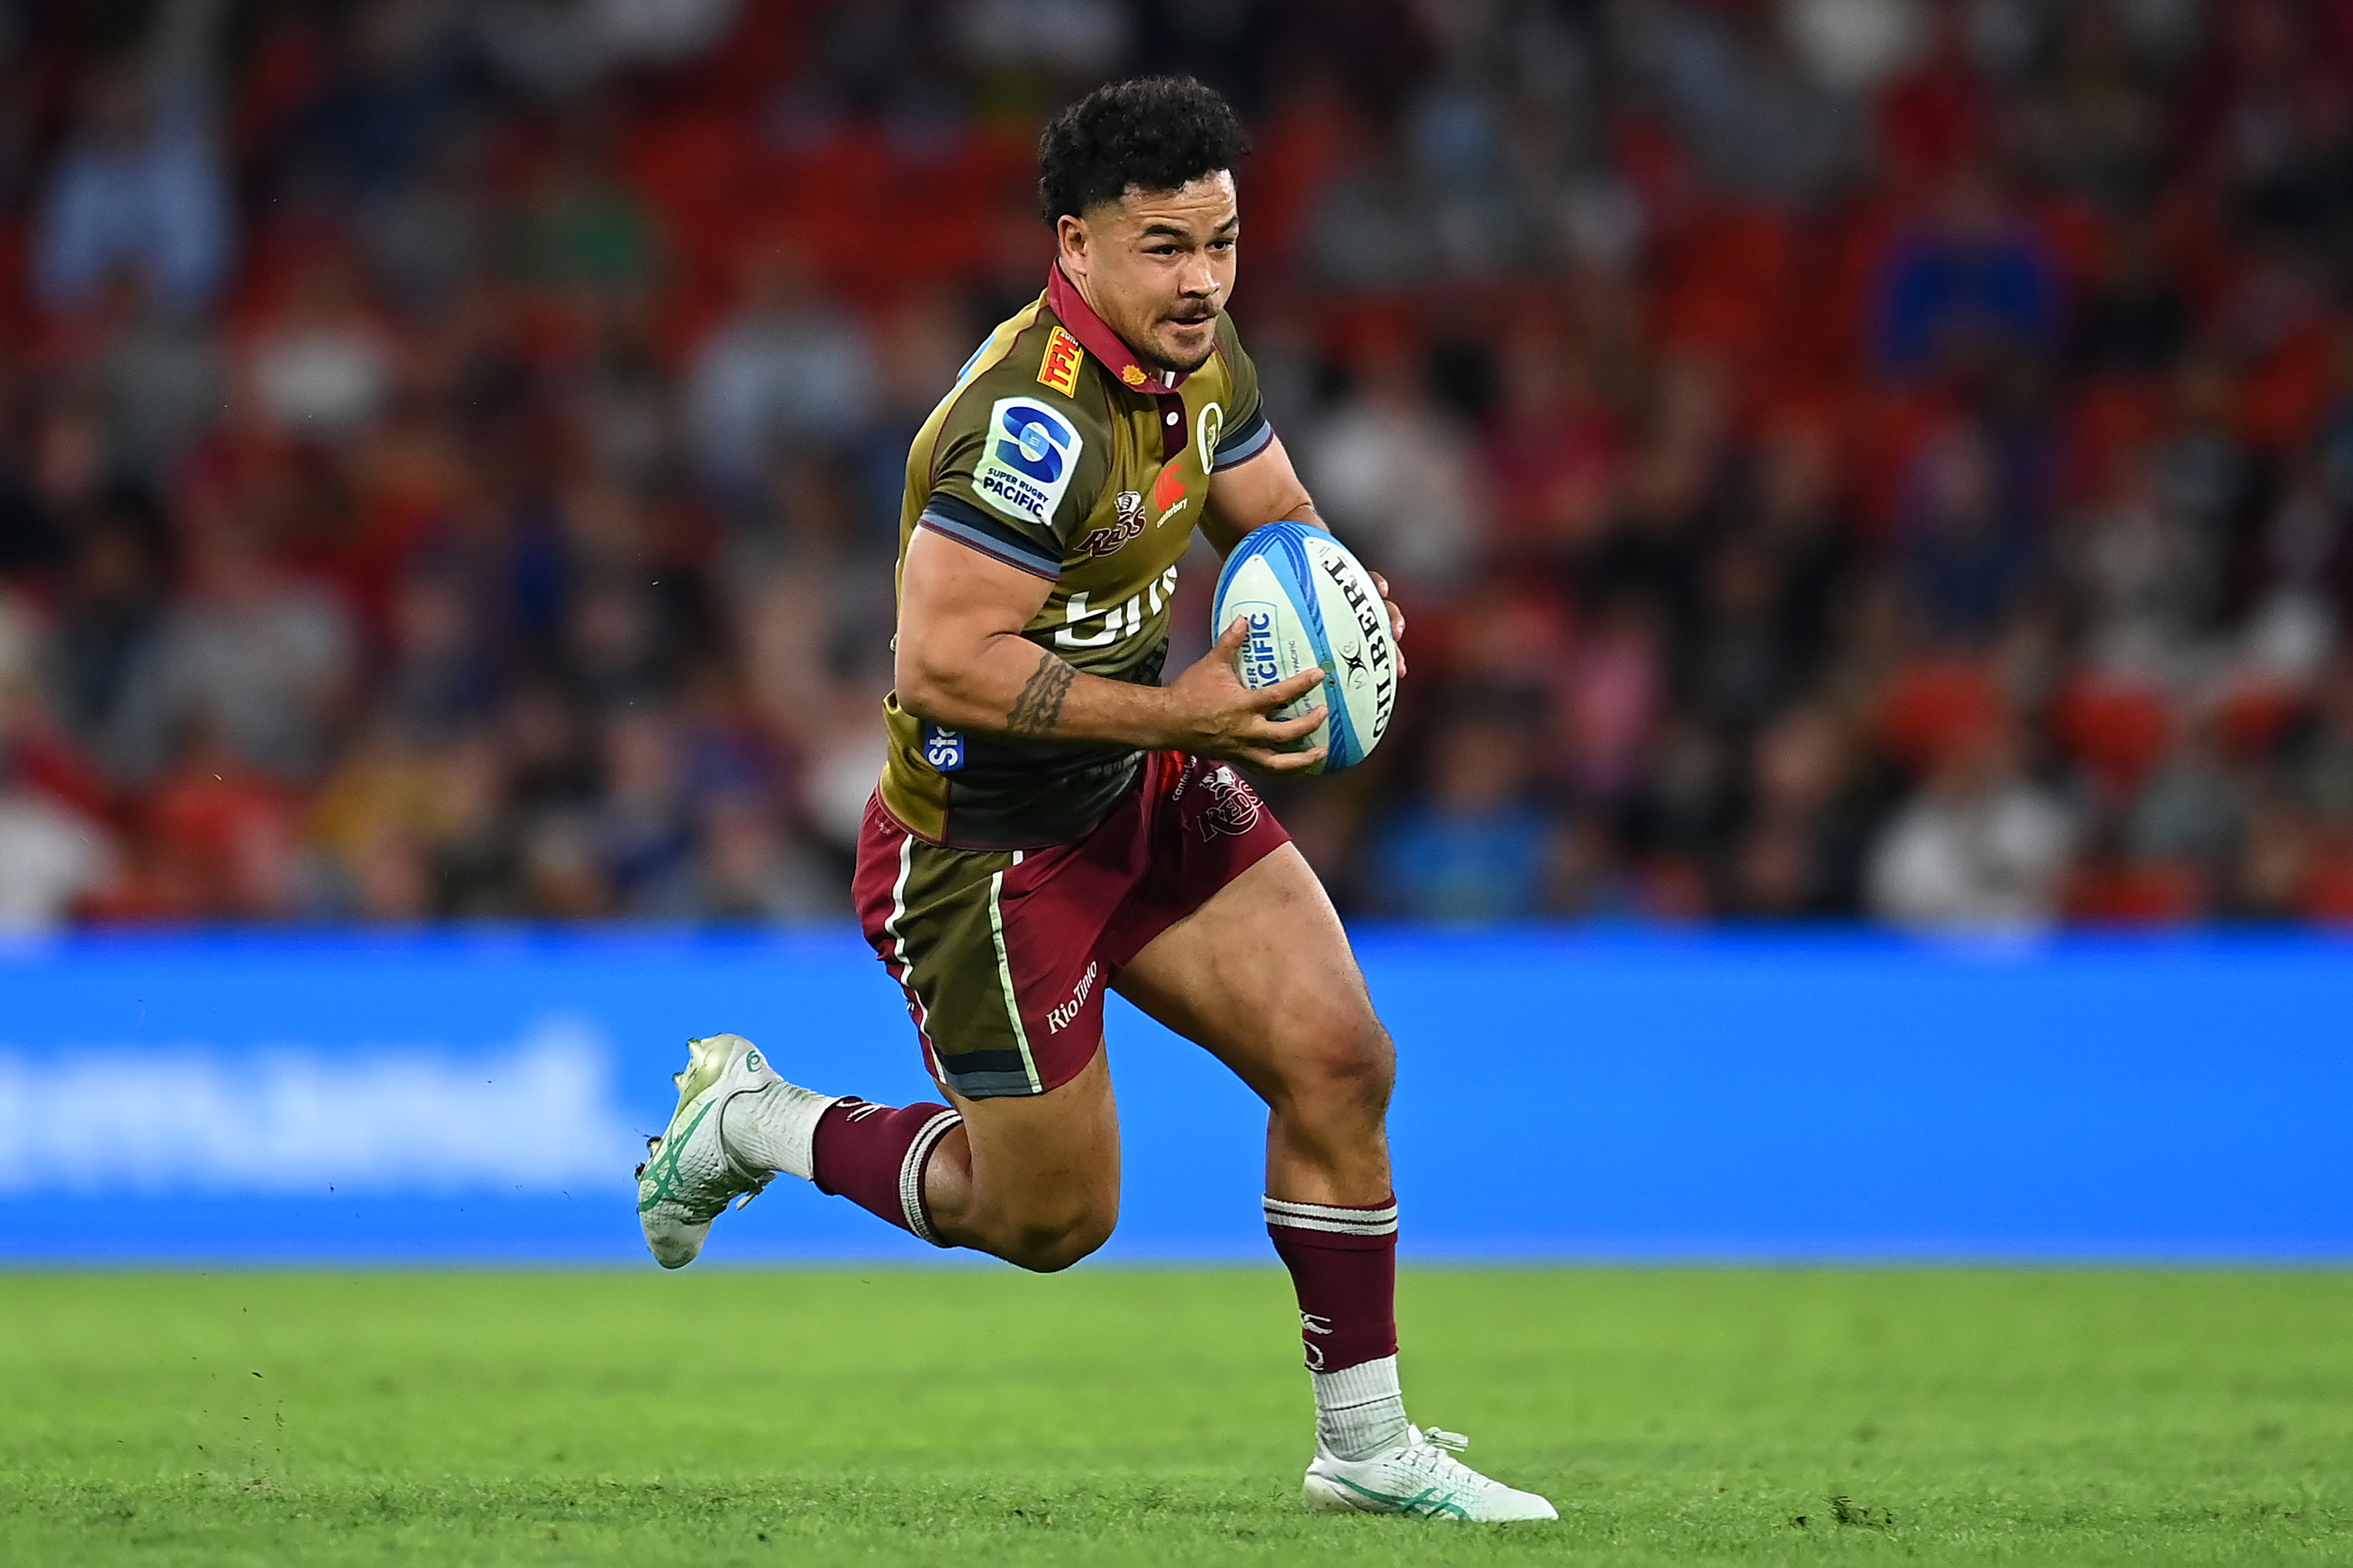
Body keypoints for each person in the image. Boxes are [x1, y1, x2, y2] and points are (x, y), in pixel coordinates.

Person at [635, 76, 1555, 1524]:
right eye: (1164, 248)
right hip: (987, 850)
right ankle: (756, 1122)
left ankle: (1366, 1447)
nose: (1202, 282)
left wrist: (1335, 596)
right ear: (1075, 244)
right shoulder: (1027, 425)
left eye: (1221, 243)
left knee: (1339, 1058)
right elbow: (943, 664)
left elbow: (1277, 514)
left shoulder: (1200, 355)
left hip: (1136, 777)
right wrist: (1190, 708)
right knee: (1050, 1216)